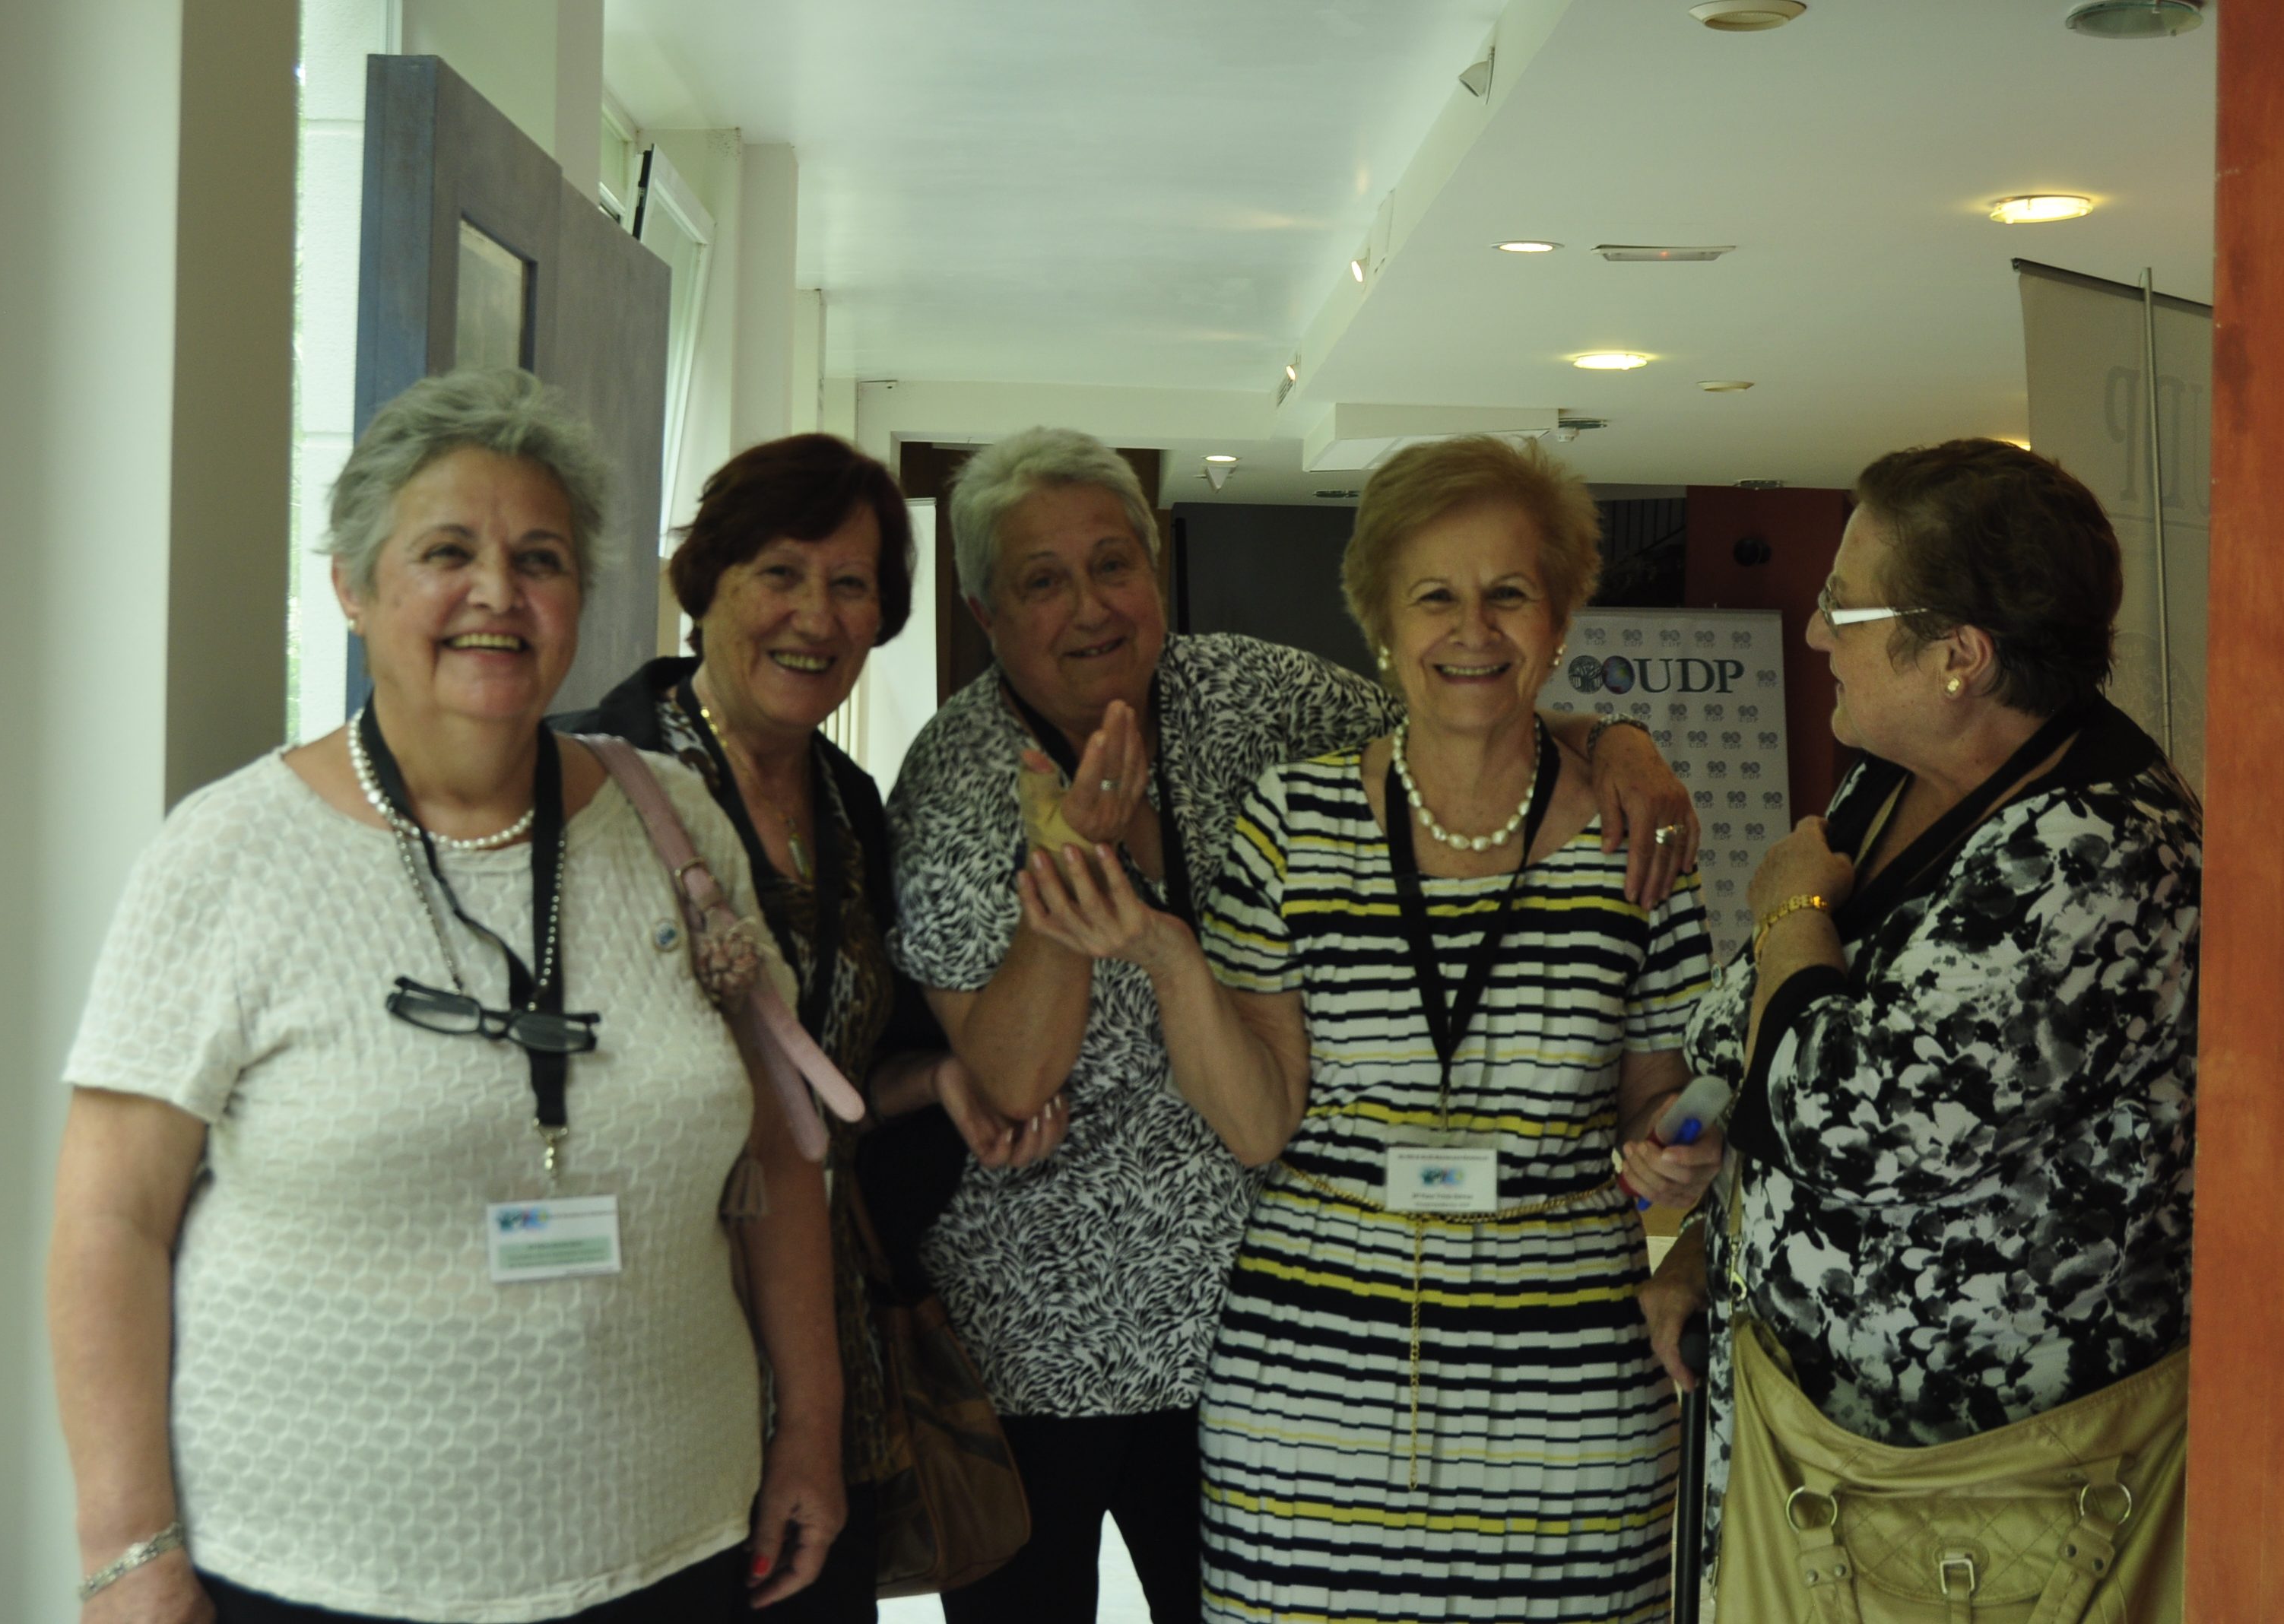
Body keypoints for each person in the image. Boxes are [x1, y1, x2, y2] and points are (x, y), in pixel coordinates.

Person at [47, 370, 842, 1624]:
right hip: (323, 1565)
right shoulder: (229, 854)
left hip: (670, 1538)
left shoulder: (672, 819)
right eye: (446, 553)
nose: (498, 594)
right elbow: (109, 1223)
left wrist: (811, 1428)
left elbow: (779, 1164)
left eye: (540, 558)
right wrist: (127, 1552)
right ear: (353, 589)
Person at [883, 427, 1703, 1622]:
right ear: (985, 609)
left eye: (1113, 565)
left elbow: (1463, 694)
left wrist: (1621, 742)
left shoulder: (1258, 699)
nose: (1089, 608)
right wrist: (1089, 888)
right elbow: (1013, 1081)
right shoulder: (961, 782)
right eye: (1040, 580)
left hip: (1284, 1329)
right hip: (1057, 1341)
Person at [1640, 439, 2200, 1564]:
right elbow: (1736, 1036)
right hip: (1815, 1463)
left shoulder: (2099, 856)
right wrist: (1705, 1224)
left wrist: (1791, 902)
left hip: (1987, 1498)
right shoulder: (1889, 781)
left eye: (1839, 608)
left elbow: (1844, 1123)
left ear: (1958, 654)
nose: (1810, 636)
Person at [554, 432, 1063, 1621]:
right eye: (779, 574)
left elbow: (831, 1073)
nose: (816, 616)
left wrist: (933, 1082)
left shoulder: (850, 805)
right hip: (653, 1319)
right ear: (707, 581)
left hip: (825, 1342)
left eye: (851, 585)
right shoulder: (590, 783)